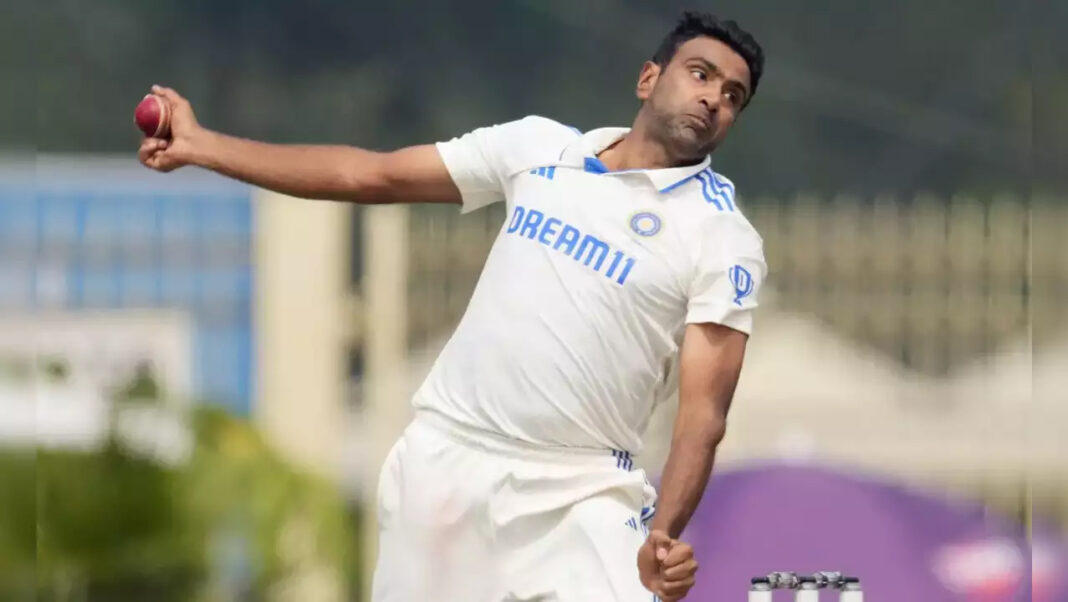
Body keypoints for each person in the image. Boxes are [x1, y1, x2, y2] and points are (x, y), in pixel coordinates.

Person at [139, 10, 766, 602]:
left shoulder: (722, 236)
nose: (714, 98)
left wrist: (665, 533)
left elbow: (703, 414)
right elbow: (371, 176)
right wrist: (203, 146)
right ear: (649, 78)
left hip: (585, 489)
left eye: (733, 96)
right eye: (700, 74)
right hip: (448, 460)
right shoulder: (538, 148)